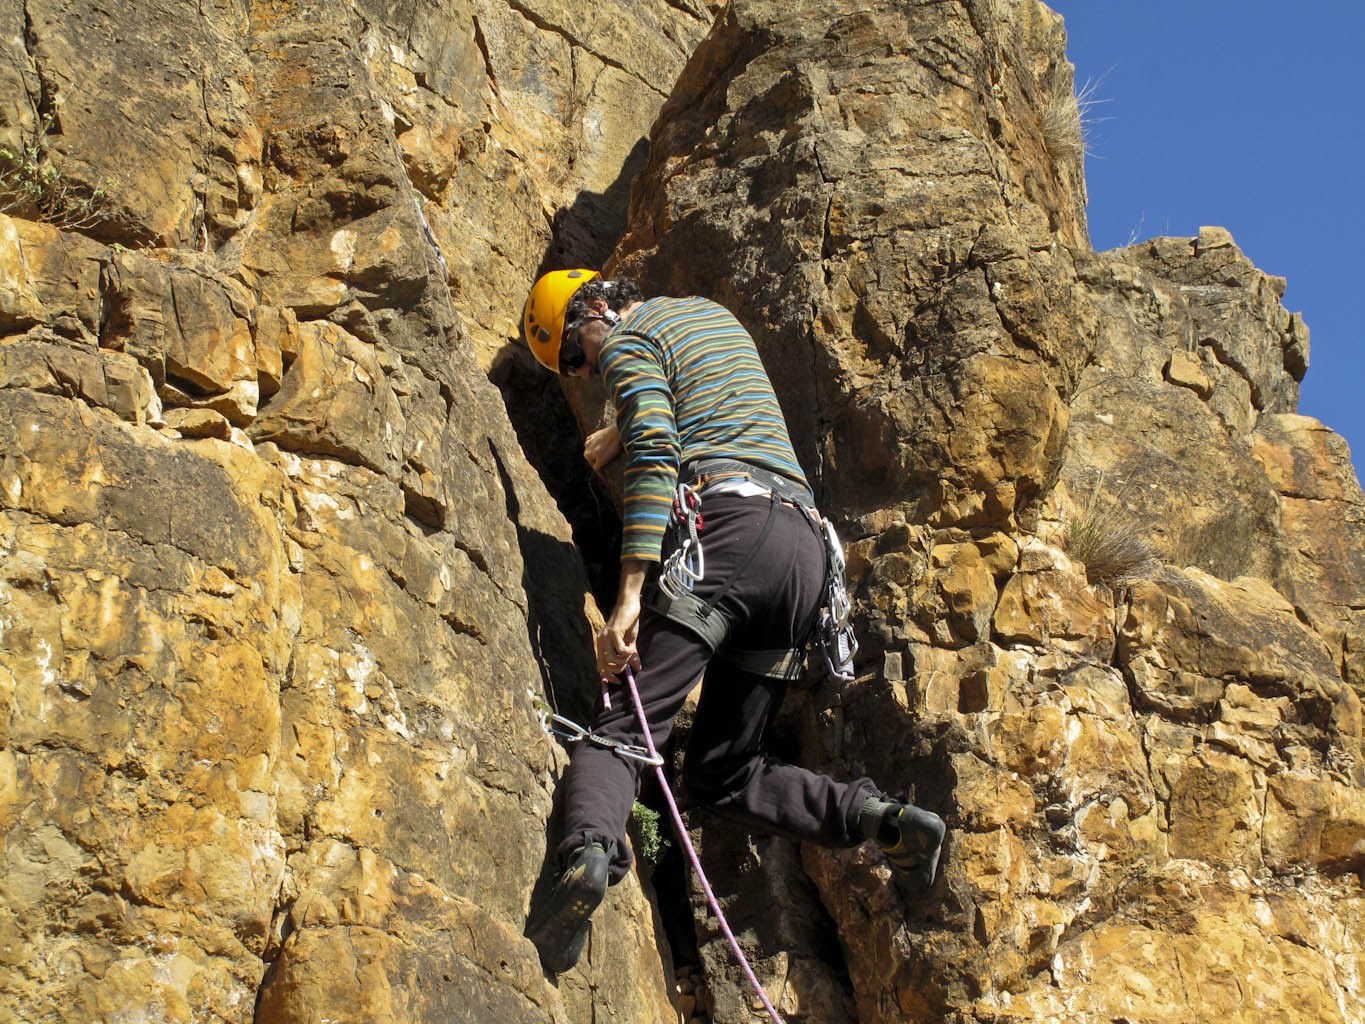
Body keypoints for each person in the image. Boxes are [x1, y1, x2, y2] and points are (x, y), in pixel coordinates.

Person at [522, 269, 945, 974]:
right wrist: (618, 430)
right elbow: (708, 405)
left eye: (573, 352)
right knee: (723, 770)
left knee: (626, 730)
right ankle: (884, 823)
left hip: (732, 532)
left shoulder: (626, 343)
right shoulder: (708, 316)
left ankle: (586, 857)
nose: (585, 368)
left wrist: (628, 596)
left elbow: (659, 451)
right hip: (805, 559)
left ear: (594, 307)